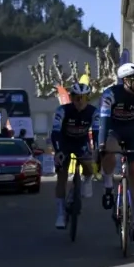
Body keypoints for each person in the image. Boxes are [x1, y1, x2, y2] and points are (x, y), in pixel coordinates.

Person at [96, 62, 134, 240]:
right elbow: (104, 120)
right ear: (126, 80)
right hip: (114, 130)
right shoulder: (110, 94)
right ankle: (108, 186)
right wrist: (101, 145)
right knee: (109, 150)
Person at [50, 82, 99, 229]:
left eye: (83, 98)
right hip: (64, 142)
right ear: (71, 98)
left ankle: (87, 180)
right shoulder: (62, 110)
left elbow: (97, 132)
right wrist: (58, 151)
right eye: (77, 98)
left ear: (88, 98)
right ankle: (60, 213)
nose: (80, 101)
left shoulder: (93, 112)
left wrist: (97, 149)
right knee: (62, 176)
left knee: (90, 165)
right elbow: (55, 132)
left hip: (81, 142)